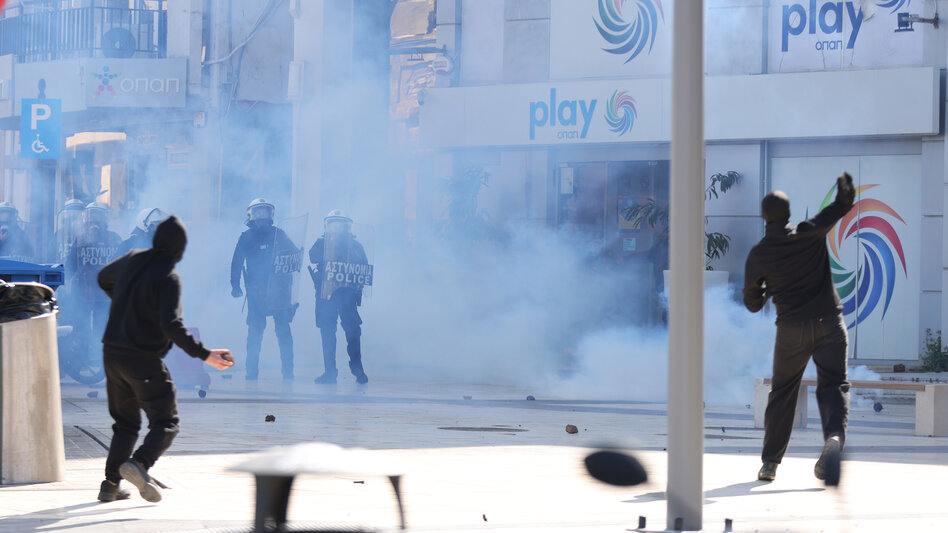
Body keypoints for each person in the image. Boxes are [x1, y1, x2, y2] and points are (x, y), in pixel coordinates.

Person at [96, 215, 234, 503]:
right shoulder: (169, 276)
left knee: (126, 424)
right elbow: (172, 325)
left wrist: (124, 301)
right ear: (179, 249)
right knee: (166, 422)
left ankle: (110, 485)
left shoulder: (133, 258)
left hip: (111, 353)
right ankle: (139, 463)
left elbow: (103, 277)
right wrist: (205, 355)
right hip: (142, 358)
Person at [743, 172, 856, 483]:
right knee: (834, 385)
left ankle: (770, 464)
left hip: (791, 329)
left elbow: (752, 303)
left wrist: (765, 290)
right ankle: (833, 438)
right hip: (829, 323)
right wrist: (845, 193)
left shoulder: (760, 253)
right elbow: (837, 209)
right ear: (789, 214)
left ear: (764, 217)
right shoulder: (810, 232)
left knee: (782, 393)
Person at [230, 199, 298, 380]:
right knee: (255, 333)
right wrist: (235, 285)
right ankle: (251, 373)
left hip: (279, 290)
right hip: (255, 291)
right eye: (258, 212)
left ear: (271, 214)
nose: (262, 215)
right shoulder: (246, 237)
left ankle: (288, 373)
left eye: (265, 212)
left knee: (283, 331)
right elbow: (237, 262)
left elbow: (294, 257)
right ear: (251, 215)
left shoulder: (279, 234)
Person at [310, 210, 369, 385]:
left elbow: (364, 267)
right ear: (327, 226)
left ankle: (358, 370)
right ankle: (329, 372)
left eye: (340, 225)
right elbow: (312, 256)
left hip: (347, 295)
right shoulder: (321, 243)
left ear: (347, 227)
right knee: (327, 333)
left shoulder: (356, 246)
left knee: (353, 332)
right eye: (334, 225)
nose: (337, 229)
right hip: (326, 295)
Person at [65, 203, 124, 363]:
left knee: (101, 327)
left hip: (103, 293)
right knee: (81, 327)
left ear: (104, 220)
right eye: (91, 217)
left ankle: (99, 358)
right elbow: (70, 263)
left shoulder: (114, 239)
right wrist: (70, 283)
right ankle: (82, 358)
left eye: (98, 217)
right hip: (84, 291)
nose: (94, 222)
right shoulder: (79, 239)